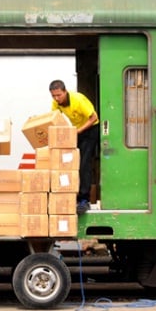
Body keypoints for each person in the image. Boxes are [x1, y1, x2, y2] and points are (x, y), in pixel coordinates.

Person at [49, 79, 100, 214]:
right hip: (75, 131)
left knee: (84, 163)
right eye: (53, 96)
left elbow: (94, 117)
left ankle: (84, 200)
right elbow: (54, 118)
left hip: (90, 129)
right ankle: (69, 196)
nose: (56, 98)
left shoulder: (78, 100)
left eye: (59, 95)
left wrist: (78, 131)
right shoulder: (55, 103)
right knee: (69, 163)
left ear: (65, 91)